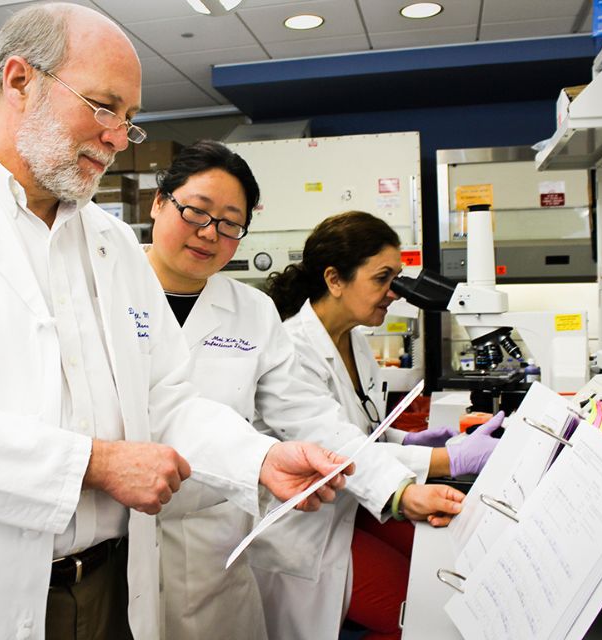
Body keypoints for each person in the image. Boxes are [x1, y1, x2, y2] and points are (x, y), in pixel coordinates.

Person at [0, 6, 353, 640]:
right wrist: (92, 464)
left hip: (111, 588)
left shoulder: (110, 244)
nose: (115, 136)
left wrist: (260, 457)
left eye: (128, 120)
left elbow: (166, 400)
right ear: (20, 81)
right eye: (103, 106)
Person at [144, 141, 470, 640]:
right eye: (197, 211)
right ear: (160, 202)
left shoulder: (251, 312)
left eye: (231, 222)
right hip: (123, 535)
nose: (211, 233)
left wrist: (400, 488)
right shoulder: (103, 291)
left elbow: (312, 418)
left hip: (219, 532)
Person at [258, 210, 504, 640]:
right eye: (383, 278)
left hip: (352, 506)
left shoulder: (354, 338)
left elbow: (358, 427)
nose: (395, 292)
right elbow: (333, 445)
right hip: (308, 529)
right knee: (422, 617)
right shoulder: (290, 349)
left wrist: (408, 439)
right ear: (335, 279)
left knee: (443, 575)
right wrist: (448, 459)